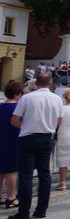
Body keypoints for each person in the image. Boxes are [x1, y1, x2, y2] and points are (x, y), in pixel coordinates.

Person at [8, 73, 62, 219]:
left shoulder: (27, 98)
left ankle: (23, 212)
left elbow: (14, 120)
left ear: (36, 83)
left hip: (28, 137)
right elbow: (59, 120)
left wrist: (25, 126)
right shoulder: (57, 99)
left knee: (26, 175)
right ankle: (41, 210)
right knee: (45, 174)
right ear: (50, 83)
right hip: (46, 137)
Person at [0, 81, 22, 210]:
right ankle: (11, 197)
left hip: (1, 139)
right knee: (11, 170)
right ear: (17, 94)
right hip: (13, 139)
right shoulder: (17, 108)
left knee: (1, 170)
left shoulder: (1, 106)